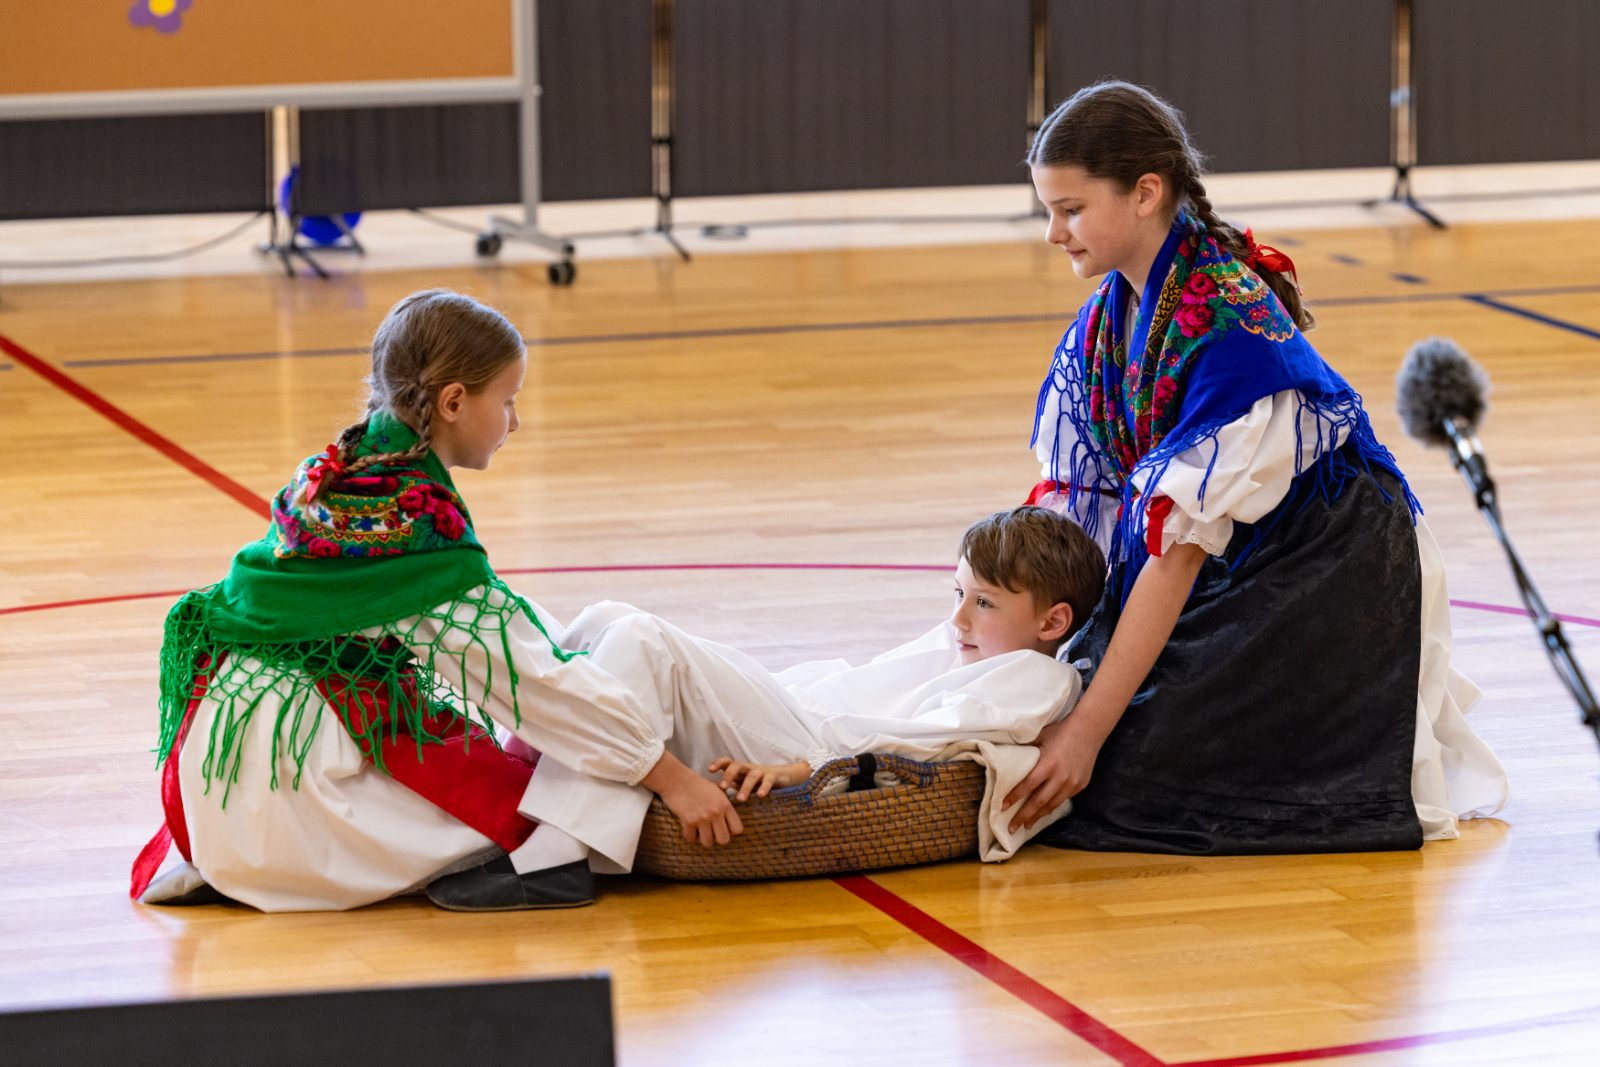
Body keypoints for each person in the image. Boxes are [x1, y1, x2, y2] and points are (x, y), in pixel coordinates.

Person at [1006, 81, 1508, 854]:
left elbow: (1174, 554)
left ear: (1146, 193)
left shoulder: (1229, 322)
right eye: (1049, 209)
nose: (1052, 233)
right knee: (1060, 699)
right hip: (1227, 562)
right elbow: (1088, 507)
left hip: (1323, 579)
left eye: (1070, 209)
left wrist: (1086, 731)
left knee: (1117, 771)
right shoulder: (1107, 318)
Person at [130, 289, 740, 913]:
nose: (515, 421)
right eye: (507, 401)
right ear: (453, 402)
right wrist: (670, 777)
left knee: (560, 704)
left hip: (220, 787)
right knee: (551, 805)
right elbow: (526, 682)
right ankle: (547, 866)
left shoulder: (347, 468)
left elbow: (489, 622)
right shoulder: (413, 525)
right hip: (296, 801)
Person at [442, 506, 1105, 896]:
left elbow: (930, 747)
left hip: (807, 743)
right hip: (792, 704)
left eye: (983, 602)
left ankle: (557, 853)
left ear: (1052, 622)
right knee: (609, 617)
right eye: (957, 593)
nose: (958, 617)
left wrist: (806, 770)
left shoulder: (1035, 678)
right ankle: (532, 757)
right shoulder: (973, 640)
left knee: (644, 641)